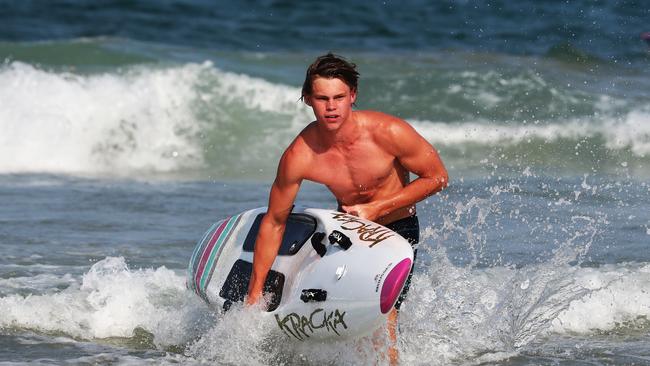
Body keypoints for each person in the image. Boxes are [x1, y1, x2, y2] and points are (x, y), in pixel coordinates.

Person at [246, 53, 448, 363]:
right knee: (342, 311)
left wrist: (379, 207)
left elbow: (437, 177)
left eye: (339, 97)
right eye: (322, 98)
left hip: (397, 230)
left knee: (383, 316)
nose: (331, 107)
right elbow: (274, 222)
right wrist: (255, 293)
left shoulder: (387, 132)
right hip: (349, 231)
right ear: (307, 99)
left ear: (352, 96)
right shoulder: (300, 155)